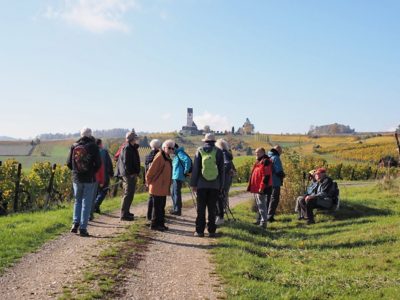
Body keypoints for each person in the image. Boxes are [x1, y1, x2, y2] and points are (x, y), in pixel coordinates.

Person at [67, 127, 101, 237]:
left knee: (77, 201)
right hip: (89, 179)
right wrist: (92, 171)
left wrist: (76, 172)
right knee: (86, 203)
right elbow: (99, 163)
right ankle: (83, 228)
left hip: (77, 179)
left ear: (81, 135)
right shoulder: (93, 146)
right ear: (90, 135)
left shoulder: (74, 145)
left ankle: (75, 224)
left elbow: (68, 163)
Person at [190, 133, 224, 237]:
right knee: (212, 208)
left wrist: (193, 184)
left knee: (201, 209)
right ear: (214, 141)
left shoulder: (199, 151)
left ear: (205, 141)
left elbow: (196, 169)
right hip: (214, 185)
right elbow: (221, 170)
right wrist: (221, 185)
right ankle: (212, 231)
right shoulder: (218, 152)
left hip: (201, 184)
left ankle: (199, 231)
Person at [145, 139, 174, 231]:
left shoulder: (166, 156)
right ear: (164, 147)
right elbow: (151, 171)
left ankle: (161, 223)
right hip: (157, 186)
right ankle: (154, 225)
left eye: (172, 148)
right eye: (169, 148)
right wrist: (148, 182)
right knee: (157, 207)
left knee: (161, 207)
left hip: (163, 187)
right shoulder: (160, 156)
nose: (171, 150)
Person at [116, 130, 141, 221]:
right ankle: (123, 214)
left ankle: (126, 212)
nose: (136, 140)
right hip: (128, 174)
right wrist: (131, 173)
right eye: (135, 138)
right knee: (128, 193)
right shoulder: (127, 148)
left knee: (130, 193)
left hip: (129, 174)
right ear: (132, 139)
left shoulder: (131, 147)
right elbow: (127, 163)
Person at [247, 147, 272, 228]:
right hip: (257, 188)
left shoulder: (265, 161)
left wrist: (261, 187)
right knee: (259, 205)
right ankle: (259, 221)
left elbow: (266, 176)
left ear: (263, 153)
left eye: (258, 152)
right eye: (256, 152)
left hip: (262, 188)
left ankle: (263, 223)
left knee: (262, 205)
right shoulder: (259, 161)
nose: (256, 154)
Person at [215, 139, 236, 225]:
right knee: (224, 195)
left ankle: (219, 215)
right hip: (227, 180)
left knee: (219, 197)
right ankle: (223, 212)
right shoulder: (228, 155)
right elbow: (233, 170)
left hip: (220, 180)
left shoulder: (220, 154)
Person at [93, 138, 114, 214]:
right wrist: (111, 173)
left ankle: (96, 208)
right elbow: (109, 163)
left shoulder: (93, 152)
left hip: (94, 176)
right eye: (101, 143)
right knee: (103, 191)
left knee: (96, 192)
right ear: (100, 144)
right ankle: (95, 205)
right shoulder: (104, 152)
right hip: (104, 175)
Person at [171, 143, 192, 216]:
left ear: (174, 148)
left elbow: (187, 161)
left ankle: (177, 210)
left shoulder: (180, 153)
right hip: (176, 176)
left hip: (178, 176)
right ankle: (175, 208)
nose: (171, 150)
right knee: (173, 193)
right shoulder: (177, 154)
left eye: (171, 148)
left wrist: (186, 171)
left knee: (176, 193)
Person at [144, 139, 162, 221]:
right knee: (158, 199)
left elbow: (146, 169)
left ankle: (149, 215)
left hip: (149, 179)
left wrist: (146, 180)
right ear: (159, 146)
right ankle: (155, 217)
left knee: (151, 197)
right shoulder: (160, 156)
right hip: (157, 179)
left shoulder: (147, 156)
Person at [266, 145, 285, 222]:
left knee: (268, 199)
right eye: (280, 151)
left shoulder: (268, 157)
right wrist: (283, 175)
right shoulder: (276, 158)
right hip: (275, 182)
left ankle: (265, 215)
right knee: (274, 199)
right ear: (278, 151)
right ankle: (270, 217)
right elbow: (278, 171)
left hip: (268, 182)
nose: (281, 152)